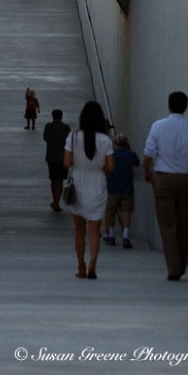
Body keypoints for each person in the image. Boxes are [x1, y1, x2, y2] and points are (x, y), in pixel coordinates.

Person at [142, 91, 188, 281]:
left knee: (167, 225)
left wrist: (146, 172)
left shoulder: (158, 126)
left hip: (163, 179)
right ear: (186, 107)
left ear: (169, 105)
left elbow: (148, 154)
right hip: (186, 179)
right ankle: (181, 264)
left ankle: (173, 267)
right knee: (183, 223)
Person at [63, 101, 114, 280]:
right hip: (97, 183)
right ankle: (93, 262)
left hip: (78, 182)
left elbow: (66, 162)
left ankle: (81, 266)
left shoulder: (73, 137)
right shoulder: (106, 140)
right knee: (94, 230)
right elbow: (110, 166)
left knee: (79, 230)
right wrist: (100, 169)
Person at [103, 133, 140, 248]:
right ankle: (125, 236)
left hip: (112, 188)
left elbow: (105, 167)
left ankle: (111, 235)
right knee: (126, 213)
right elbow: (137, 163)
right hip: (127, 189)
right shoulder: (131, 154)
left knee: (110, 213)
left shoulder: (111, 154)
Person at [43, 109, 71, 211]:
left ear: (52, 116)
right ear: (61, 116)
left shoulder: (48, 126)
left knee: (53, 179)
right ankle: (56, 203)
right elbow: (69, 141)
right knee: (60, 180)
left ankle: (54, 200)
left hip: (50, 157)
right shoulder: (66, 128)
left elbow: (45, 137)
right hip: (62, 157)